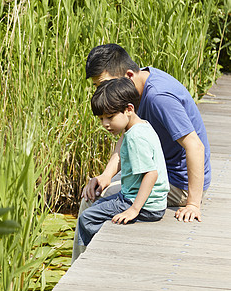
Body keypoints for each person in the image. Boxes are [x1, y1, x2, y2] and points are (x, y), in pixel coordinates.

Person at [82, 44, 211, 223]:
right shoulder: (135, 85)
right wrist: (106, 175)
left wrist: (193, 204)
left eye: (104, 84)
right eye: (97, 86)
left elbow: (195, 146)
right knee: (95, 191)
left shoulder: (159, 97)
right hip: (156, 167)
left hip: (178, 182)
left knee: (94, 201)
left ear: (127, 75)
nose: (100, 92)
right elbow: (127, 136)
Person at [77, 77, 169, 249]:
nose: (105, 124)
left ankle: (94, 251)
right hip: (145, 201)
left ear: (128, 109)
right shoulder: (141, 126)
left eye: (110, 117)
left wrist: (134, 209)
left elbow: (151, 174)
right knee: (96, 206)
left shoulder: (136, 137)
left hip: (142, 205)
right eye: (101, 119)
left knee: (86, 218)